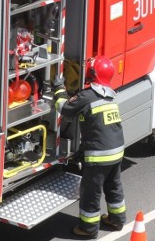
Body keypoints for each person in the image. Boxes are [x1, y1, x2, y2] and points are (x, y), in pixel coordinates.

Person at [55, 57, 126, 239]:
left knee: (90, 192)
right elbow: (100, 128)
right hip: (116, 150)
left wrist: (58, 89)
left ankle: (88, 229)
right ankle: (117, 220)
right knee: (113, 186)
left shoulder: (87, 96)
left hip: (99, 156)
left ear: (92, 74)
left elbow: (64, 108)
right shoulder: (111, 95)